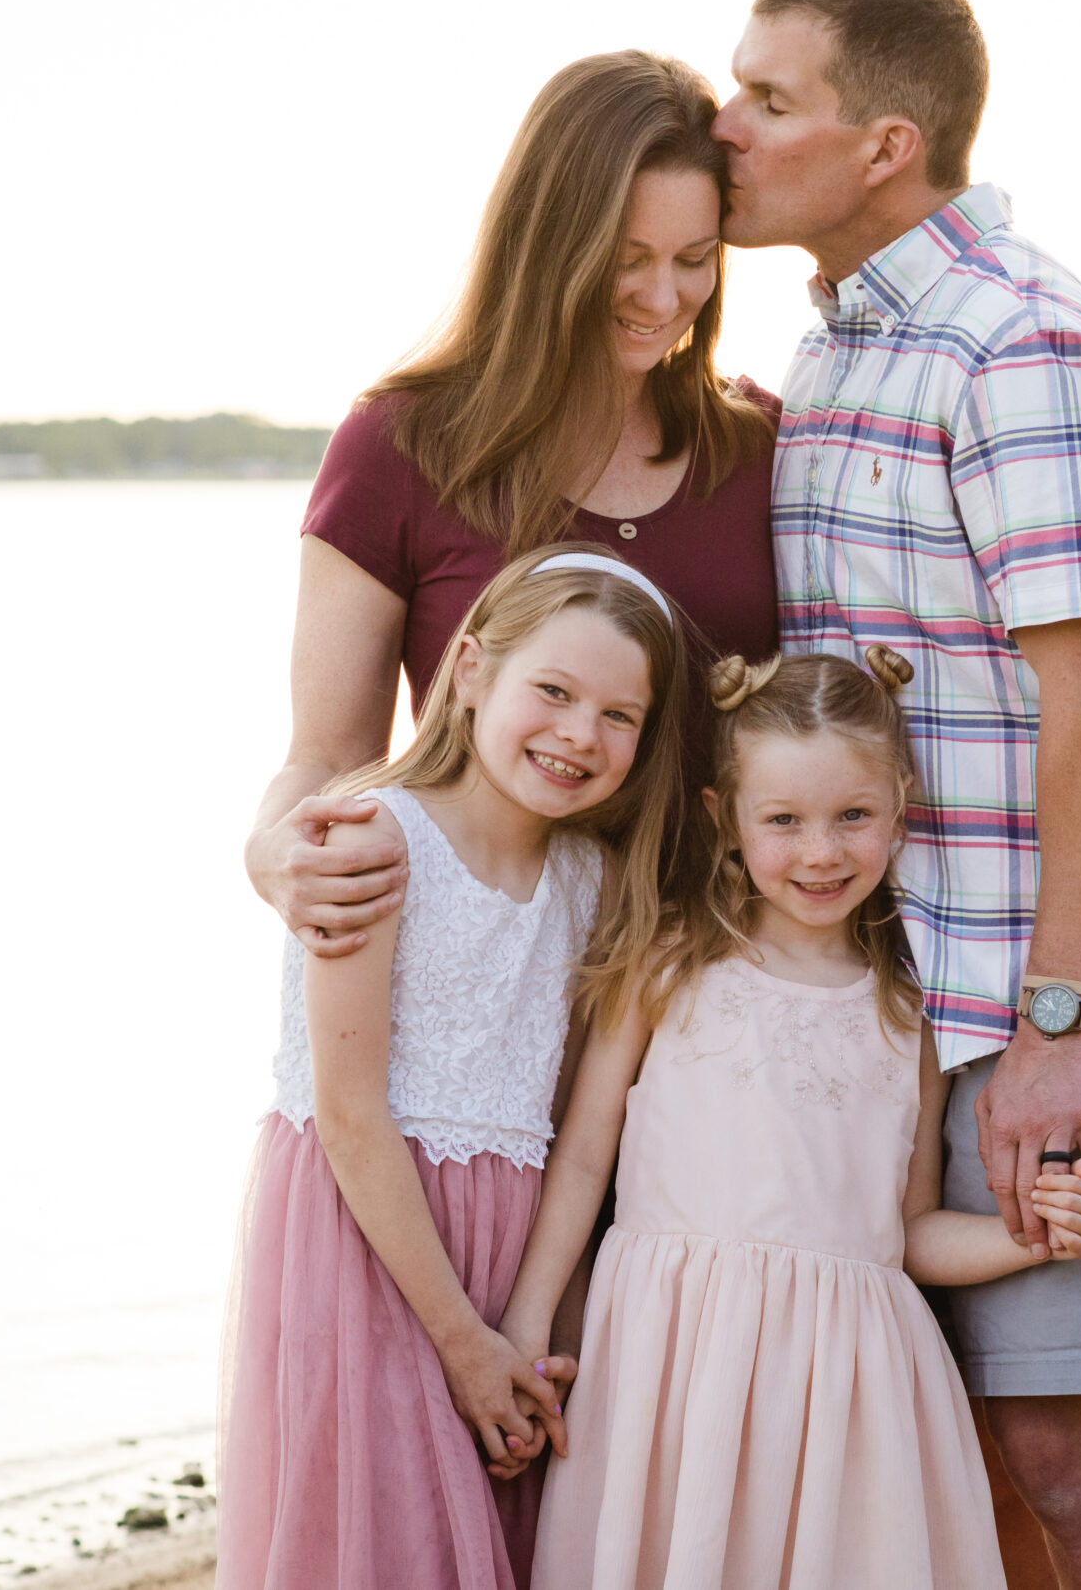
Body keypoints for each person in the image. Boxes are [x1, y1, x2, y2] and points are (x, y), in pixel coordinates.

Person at [709, 0, 1081, 1589]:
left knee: (1074, 1474)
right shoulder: (848, 356)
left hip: (1043, 1014)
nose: (725, 127)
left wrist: (1057, 1034)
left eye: (769, 99)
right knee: (962, 1477)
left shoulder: (1024, 349)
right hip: (883, 1014)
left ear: (884, 141)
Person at [498, 648, 1081, 1588]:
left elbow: (905, 1233)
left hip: (845, 1383)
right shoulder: (667, 965)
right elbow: (581, 1164)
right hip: (672, 1363)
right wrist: (532, 1319)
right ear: (727, 822)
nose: (820, 852)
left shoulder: (906, 1014)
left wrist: (1029, 1236)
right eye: (784, 820)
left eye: (852, 817)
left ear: (899, 809)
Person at [215, 546, 690, 1590]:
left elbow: (574, 1134)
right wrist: (462, 1343)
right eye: (553, 691)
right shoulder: (372, 837)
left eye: (620, 716)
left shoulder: (590, 881)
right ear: (470, 670)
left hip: (508, 1260)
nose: (578, 734)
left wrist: (521, 1328)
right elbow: (347, 1117)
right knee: (386, 1542)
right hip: (369, 1246)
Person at [245, 48, 782, 966]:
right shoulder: (399, 446)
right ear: (548, 244)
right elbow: (331, 752)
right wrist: (271, 852)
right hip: (483, 977)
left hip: (714, 987)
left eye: (694, 260)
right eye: (627, 260)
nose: (664, 298)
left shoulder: (764, 447)